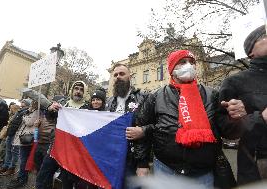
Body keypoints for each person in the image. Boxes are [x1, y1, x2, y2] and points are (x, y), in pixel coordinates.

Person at [135, 50, 241, 188]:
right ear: (172, 69)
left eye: (192, 62)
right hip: (165, 170)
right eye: (182, 62)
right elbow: (142, 129)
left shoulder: (212, 94)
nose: (189, 66)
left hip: (202, 173)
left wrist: (234, 118)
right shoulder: (155, 96)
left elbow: (227, 132)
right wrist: (142, 163)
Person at [219, 25, 267, 185]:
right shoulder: (234, 82)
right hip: (259, 164)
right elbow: (225, 128)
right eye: (265, 36)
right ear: (250, 51)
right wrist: (259, 118)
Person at [35, 81, 89, 189]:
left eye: (81, 90)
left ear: (85, 92)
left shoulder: (88, 108)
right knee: (43, 175)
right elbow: (50, 117)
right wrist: (49, 109)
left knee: (66, 181)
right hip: (56, 146)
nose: (78, 91)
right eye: (76, 88)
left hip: (73, 150)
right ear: (72, 90)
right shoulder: (63, 102)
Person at [105, 63, 148, 189]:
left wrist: (143, 163)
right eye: (115, 75)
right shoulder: (109, 102)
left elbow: (153, 127)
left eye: (122, 74)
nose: (118, 77)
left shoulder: (143, 98)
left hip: (132, 160)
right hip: (112, 159)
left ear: (130, 77)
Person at [7, 100, 39, 189]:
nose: (32, 103)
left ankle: (22, 179)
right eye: (32, 102)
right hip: (23, 137)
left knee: (24, 160)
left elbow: (29, 122)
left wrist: (25, 116)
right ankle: (20, 177)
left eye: (34, 102)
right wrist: (27, 114)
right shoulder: (30, 111)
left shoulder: (37, 112)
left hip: (28, 138)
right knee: (22, 159)